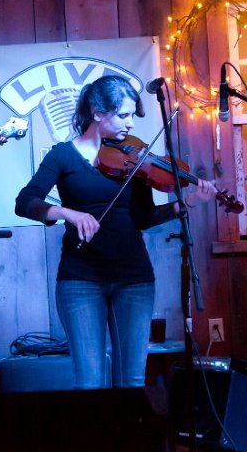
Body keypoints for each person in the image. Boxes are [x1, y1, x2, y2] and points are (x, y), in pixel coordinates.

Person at [15, 75, 215, 388]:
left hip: (134, 278)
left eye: (132, 115)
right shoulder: (62, 156)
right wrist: (66, 213)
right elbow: (25, 202)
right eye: (123, 115)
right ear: (97, 113)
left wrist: (187, 202)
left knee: (132, 381)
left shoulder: (135, 158)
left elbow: (142, 218)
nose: (130, 124)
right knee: (90, 382)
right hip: (80, 280)